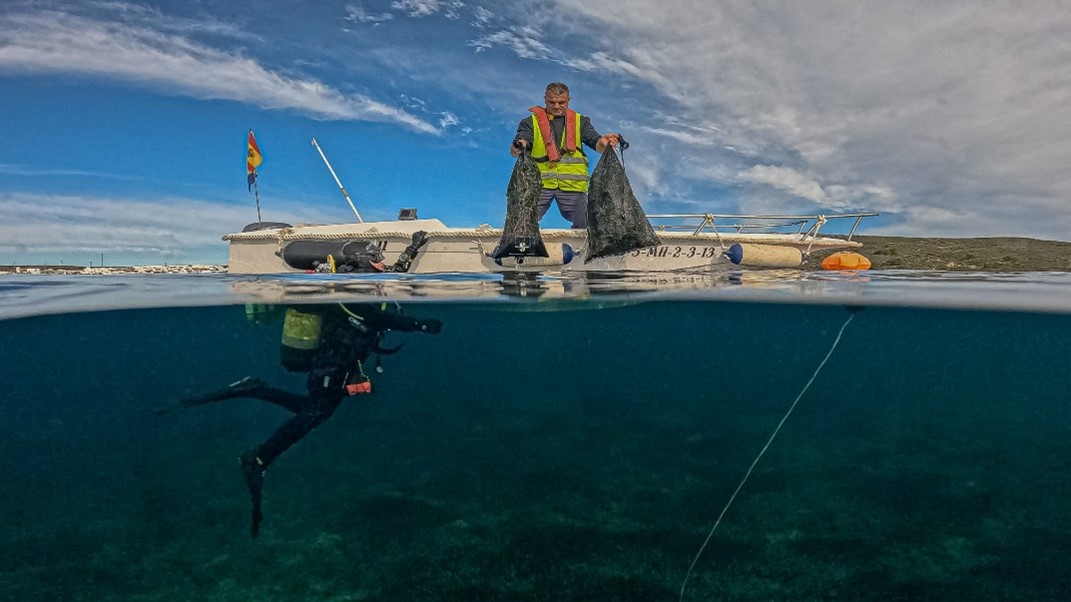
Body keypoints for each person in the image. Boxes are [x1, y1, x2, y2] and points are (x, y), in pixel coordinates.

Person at [155, 302, 442, 538]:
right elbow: (379, 317)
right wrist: (420, 324)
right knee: (314, 413)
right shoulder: (357, 304)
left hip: (331, 368)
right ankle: (258, 458)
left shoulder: (359, 310)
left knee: (311, 409)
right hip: (330, 369)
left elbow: (378, 320)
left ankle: (254, 390)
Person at [510, 82, 623, 228]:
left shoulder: (580, 121)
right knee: (521, 220)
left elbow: (595, 142)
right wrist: (519, 145)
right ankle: (521, 246)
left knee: (588, 220)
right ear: (545, 99)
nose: (556, 106)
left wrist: (604, 142)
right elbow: (524, 138)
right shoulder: (530, 122)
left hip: (573, 187)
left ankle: (581, 248)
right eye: (552, 102)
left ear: (568, 100)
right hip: (538, 185)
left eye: (561, 102)